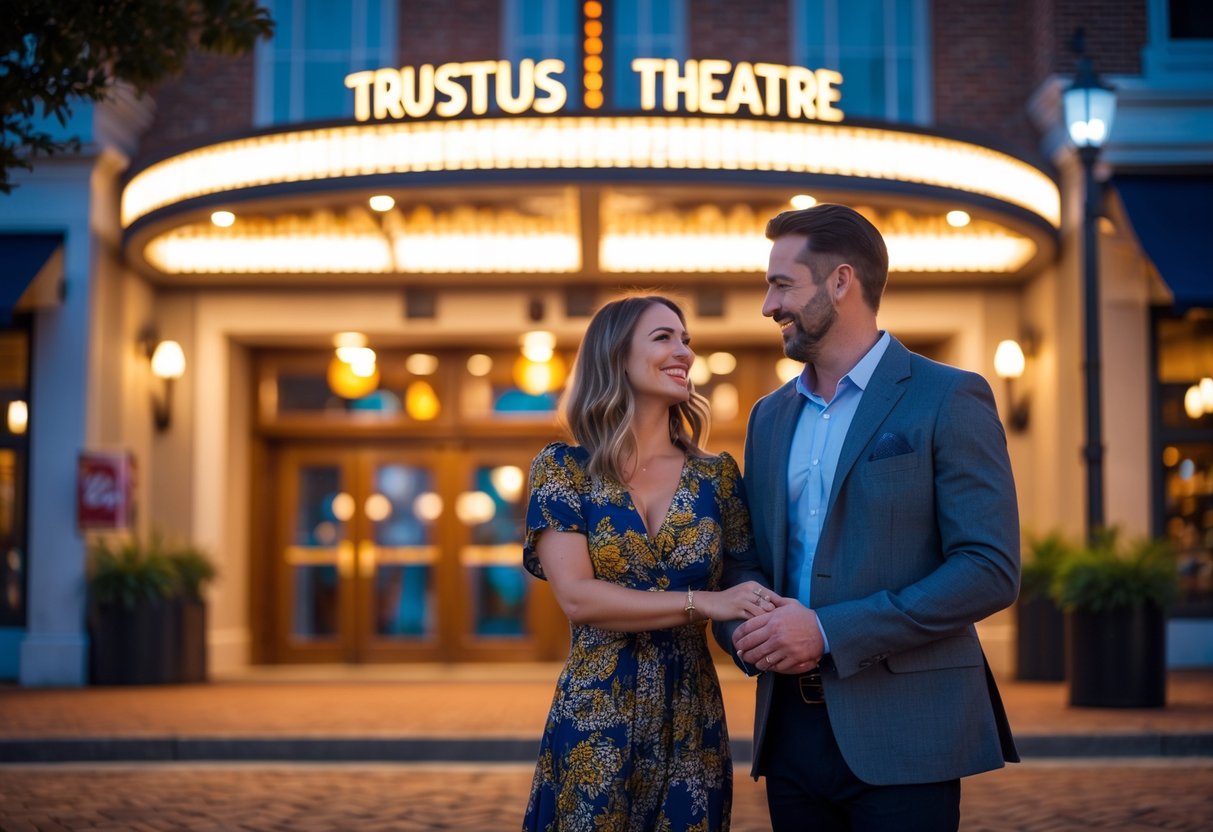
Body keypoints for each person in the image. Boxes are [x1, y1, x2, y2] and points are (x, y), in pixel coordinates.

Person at [713, 204, 1021, 831]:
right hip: (789, 734)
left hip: (908, 731)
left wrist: (827, 632)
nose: (768, 307)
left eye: (781, 284)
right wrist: (745, 634)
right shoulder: (768, 418)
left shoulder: (949, 396)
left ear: (841, 282)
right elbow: (749, 558)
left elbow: (988, 569)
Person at [521, 294, 772, 832]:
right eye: (664, 338)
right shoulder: (564, 469)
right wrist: (703, 602)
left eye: (686, 341)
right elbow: (578, 597)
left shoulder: (718, 477)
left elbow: (747, 581)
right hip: (595, 715)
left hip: (692, 714)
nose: (683, 351)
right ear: (616, 356)